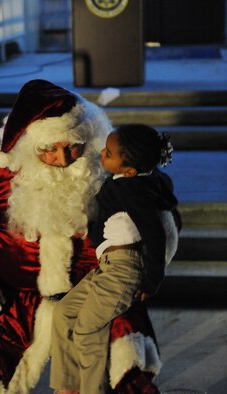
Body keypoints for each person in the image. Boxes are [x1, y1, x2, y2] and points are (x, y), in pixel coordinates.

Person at [0, 80, 178, 394]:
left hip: (94, 288)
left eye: (72, 146)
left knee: (126, 351)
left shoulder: (110, 165)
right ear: (26, 144)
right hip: (14, 297)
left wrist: (138, 261)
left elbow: (163, 218)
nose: (63, 158)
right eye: (50, 149)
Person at [50, 124, 178, 394]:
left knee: (86, 329)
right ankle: (68, 387)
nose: (101, 154)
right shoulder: (126, 182)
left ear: (129, 170)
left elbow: (155, 235)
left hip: (123, 269)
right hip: (106, 269)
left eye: (108, 153)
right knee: (64, 313)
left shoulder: (133, 190)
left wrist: (151, 281)